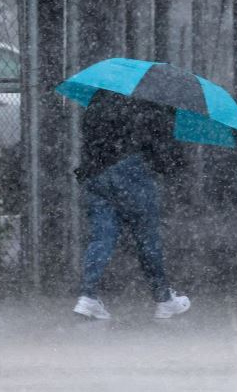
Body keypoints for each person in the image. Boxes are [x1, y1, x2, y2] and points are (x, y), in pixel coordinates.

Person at [73, 90, 192, 320]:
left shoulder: (100, 99)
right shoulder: (153, 103)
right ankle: (164, 299)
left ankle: (87, 297)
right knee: (147, 238)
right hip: (131, 172)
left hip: (96, 173)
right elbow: (163, 149)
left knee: (102, 237)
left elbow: (91, 139)